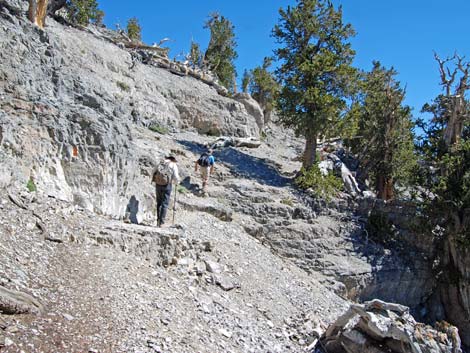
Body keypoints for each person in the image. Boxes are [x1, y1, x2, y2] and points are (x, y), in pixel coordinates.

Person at [152, 156, 180, 227]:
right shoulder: (173, 165)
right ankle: (162, 222)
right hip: (167, 185)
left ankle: (158, 221)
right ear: (173, 159)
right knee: (165, 203)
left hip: (158, 184)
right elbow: (176, 176)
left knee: (159, 202)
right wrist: (177, 183)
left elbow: (153, 171)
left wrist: (154, 180)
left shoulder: (160, 162)